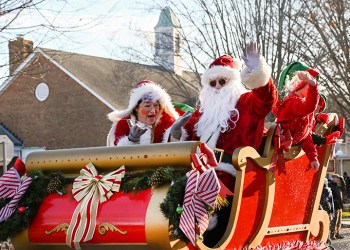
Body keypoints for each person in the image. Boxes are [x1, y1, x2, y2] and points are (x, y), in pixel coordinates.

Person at [170, 41, 278, 184]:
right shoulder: (201, 115)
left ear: (233, 81)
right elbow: (185, 143)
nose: (218, 87)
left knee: (192, 189)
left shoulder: (246, 103)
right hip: (197, 173)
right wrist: (176, 134)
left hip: (234, 174)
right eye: (213, 83)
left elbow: (266, 99)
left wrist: (256, 71)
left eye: (222, 81)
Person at [106, 80, 179, 146]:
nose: (153, 111)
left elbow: (175, 151)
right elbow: (118, 154)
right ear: (136, 108)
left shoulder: (166, 122)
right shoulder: (123, 124)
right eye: (147, 106)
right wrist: (131, 140)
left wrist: (175, 134)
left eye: (156, 105)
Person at [329, 174, 344, 240]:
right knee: (334, 221)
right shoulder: (330, 186)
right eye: (337, 178)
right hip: (335, 206)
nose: (338, 179)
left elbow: (344, 187)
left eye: (338, 178)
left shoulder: (337, 186)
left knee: (339, 221)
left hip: (339, 206)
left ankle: (337, 233)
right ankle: (332, 235)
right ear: (333, 178)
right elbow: (330, 197)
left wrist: (342, 181)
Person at [320, 178, 334, 244]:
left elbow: (325, 200)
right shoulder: (327, 190)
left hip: (324, 210)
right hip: (326, 210)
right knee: (326, 225)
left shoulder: (325, 190)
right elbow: (330, 202)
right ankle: (326, 239)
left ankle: (326, 239)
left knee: (324, 226)